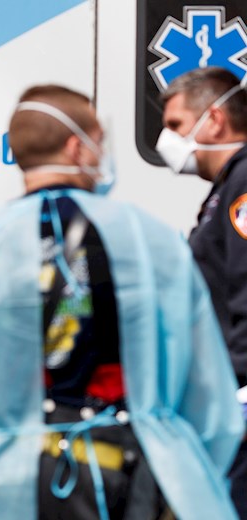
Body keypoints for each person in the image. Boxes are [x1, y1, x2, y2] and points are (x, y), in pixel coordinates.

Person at [0, 84, 244, 519]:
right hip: (130, 482)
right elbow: (211, 407)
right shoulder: (152, 242)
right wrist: (188, 481)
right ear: (77, 147)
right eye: (101, 141)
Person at [157, 66, 247, 519]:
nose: (166, 140)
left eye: (176, 124)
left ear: (215, 119)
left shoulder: (244, 186)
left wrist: (232, 386)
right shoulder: (226, 188)